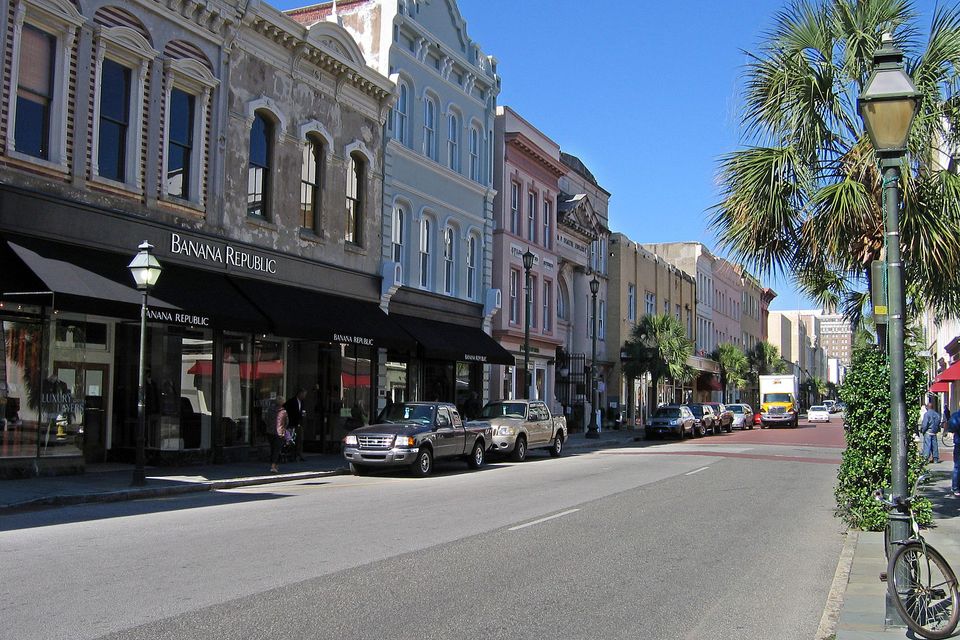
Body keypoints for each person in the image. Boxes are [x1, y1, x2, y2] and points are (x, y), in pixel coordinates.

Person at [284, 389, 307, 462]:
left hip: (299, 424)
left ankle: (299, 454)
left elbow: (303, 411)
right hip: (292, 424)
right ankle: (292, 455)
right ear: (299, 394)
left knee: (300, 439)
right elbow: (286, 410)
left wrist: (303, 417)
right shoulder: (292, 401)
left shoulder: (302, 402)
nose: (304, 396)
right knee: (292, 440)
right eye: (304, 394)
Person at [269, 397, 288, 474]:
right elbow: (286, 422)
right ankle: (273, 466)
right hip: (279, 432)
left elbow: (266, 419)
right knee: (277, 449)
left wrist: (269, 427)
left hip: (270, 432)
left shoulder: (270, 410)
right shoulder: (283, 411)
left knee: (273, 448)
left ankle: (275, 464)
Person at [950, 411, 960, 497]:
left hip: (958, 443)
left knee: (957, 466)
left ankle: (956, 487)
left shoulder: (955, 415)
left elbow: (951, 428)